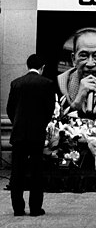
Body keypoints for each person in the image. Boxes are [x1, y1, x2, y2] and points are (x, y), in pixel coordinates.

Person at [7, 53, 56, 217]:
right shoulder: (47, 83)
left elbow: (10, 109)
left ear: (28, 66)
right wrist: (41, 125)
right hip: (36, 135)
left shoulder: (16, 83)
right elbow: (49, 110)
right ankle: (35, 208)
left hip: (19, 134)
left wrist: (17, 123)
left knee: (17, 173)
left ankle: (18, 209)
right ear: (42, 68)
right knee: (36, 172)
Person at [57, 28, 96, 116]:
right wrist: (77, 102)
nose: (90, 64)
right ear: (73, 59)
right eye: (83, 55)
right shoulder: (61, 83)